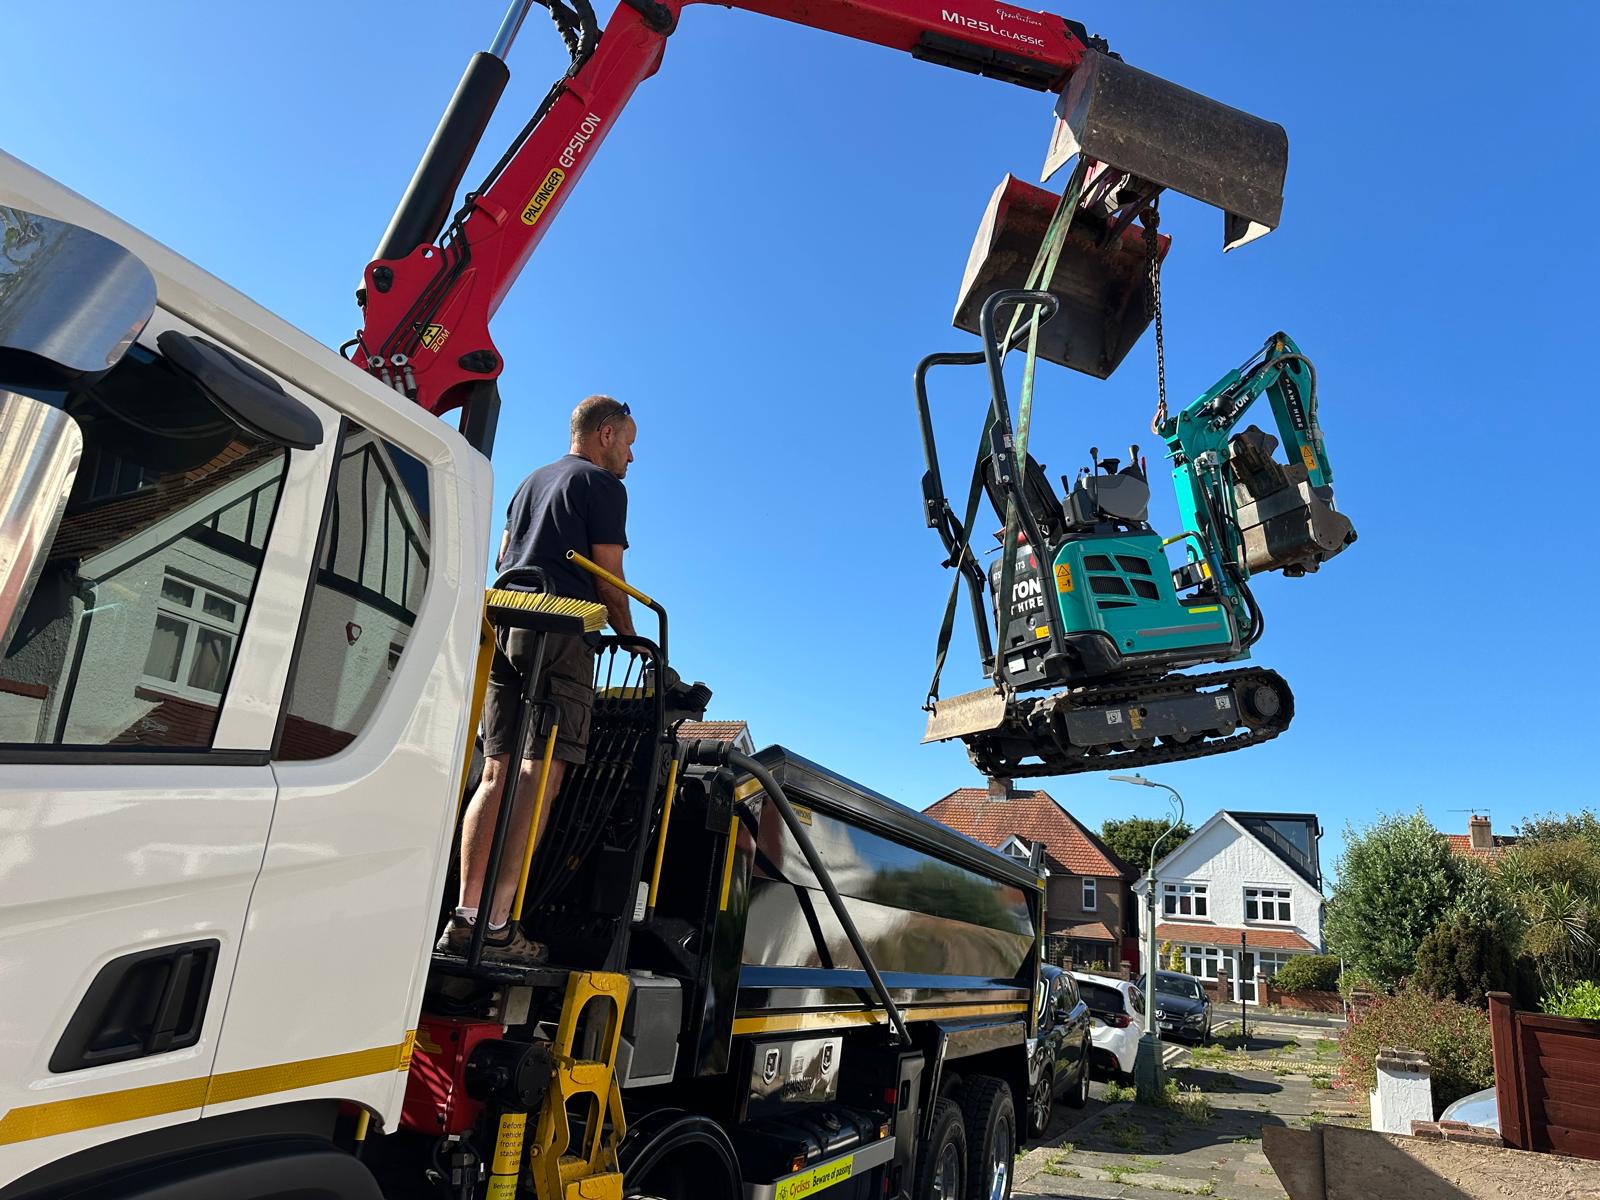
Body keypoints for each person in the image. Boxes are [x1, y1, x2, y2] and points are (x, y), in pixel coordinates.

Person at [438, 395, 637, 964]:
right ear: (604, 434)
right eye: (628, 443)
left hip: (506, 625)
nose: (631, 456)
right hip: (560, 629)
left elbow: (504, 555)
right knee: (540, 772)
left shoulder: (531, 483)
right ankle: (499, 924)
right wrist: (632, 639)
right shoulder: (602, 486)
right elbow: (609, 578)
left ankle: (466, 916)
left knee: (495, 771)